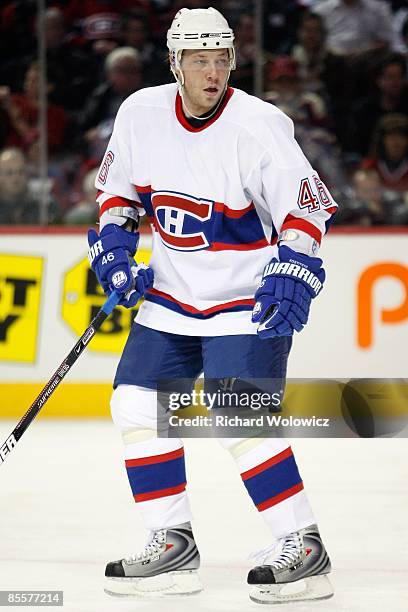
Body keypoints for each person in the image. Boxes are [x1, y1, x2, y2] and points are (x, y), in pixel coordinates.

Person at [87, 7, 337, 604]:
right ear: (174, 62)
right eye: (198, 59)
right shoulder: (140, 114)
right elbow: (116, 195)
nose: (212, 71)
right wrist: (115, 249)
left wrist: (295, 265)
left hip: (247, 300)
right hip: (173, 298)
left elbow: (308, 207)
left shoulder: (259, 124)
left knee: (239, 417)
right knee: (135, 405)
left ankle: (303, 547)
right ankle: (170, 543)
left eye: (221, 58)